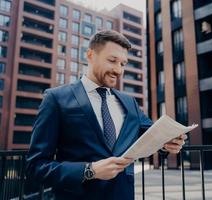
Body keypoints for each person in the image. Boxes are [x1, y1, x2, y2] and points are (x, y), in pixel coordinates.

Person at [26, 30, 186, 200]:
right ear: (90, 55)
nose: (118, 70)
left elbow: (152, 136)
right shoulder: (56, 98)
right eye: (112, 61)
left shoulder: (129, 103)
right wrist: (90, 170)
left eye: (123, 64)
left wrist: (167, 142)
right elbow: (36, 166)